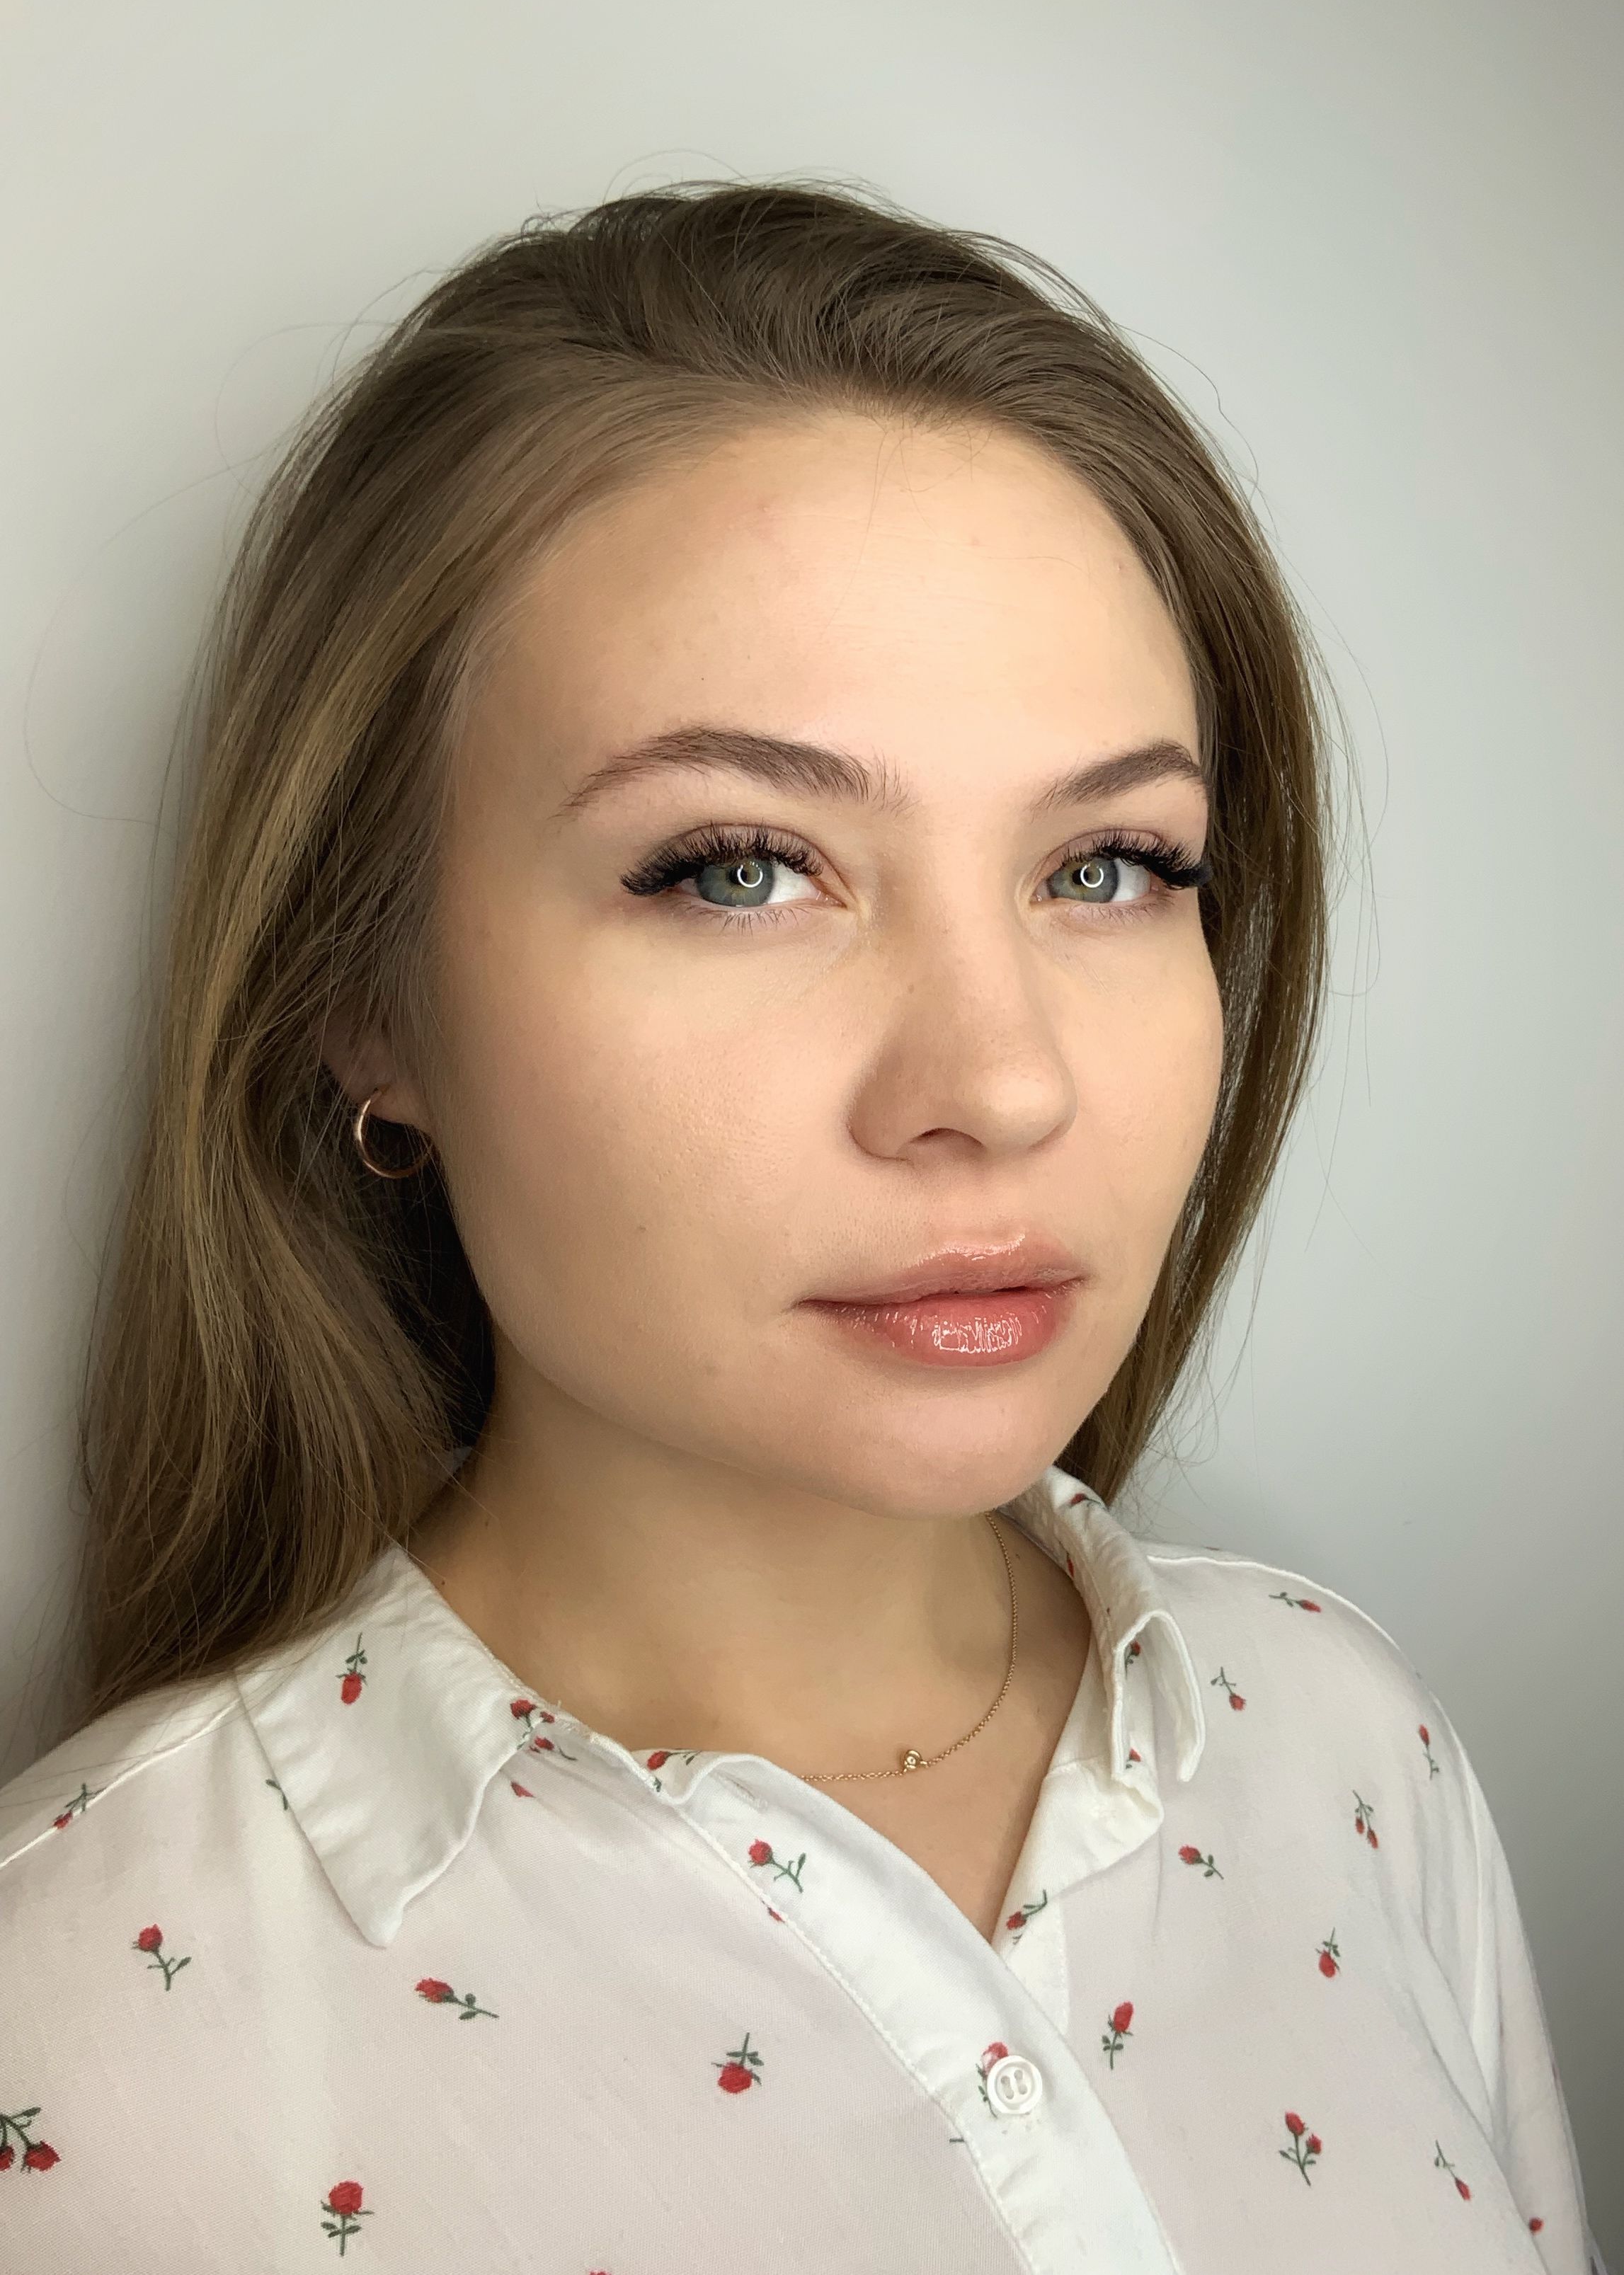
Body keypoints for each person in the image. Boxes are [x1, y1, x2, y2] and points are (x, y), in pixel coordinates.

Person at [0, 182, 1599, 2274]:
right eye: (741, 867)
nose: (1002, 1080)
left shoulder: (1340, 1739)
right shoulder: (74, 2046)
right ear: (361, 997)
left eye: (1112, 863)